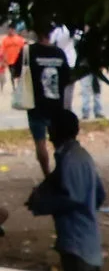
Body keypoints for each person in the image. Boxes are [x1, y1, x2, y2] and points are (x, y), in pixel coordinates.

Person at [25, 109, 103, 271]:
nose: (48, 132)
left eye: (51, 128)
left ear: (56, 131)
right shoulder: (80, 157)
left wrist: (42, 203)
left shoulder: (71, 160)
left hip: (77, 244)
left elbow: (72, 198)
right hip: (87, 241)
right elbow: (99, 195)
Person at [22, 31, 67, 175]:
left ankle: (47, 175)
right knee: (59, 142)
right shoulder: (59, 53)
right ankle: (61, 173)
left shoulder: (29, 51)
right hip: (56, 105)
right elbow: (66, 77)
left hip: (36, 105)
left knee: (40, 142)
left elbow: (17, 72)